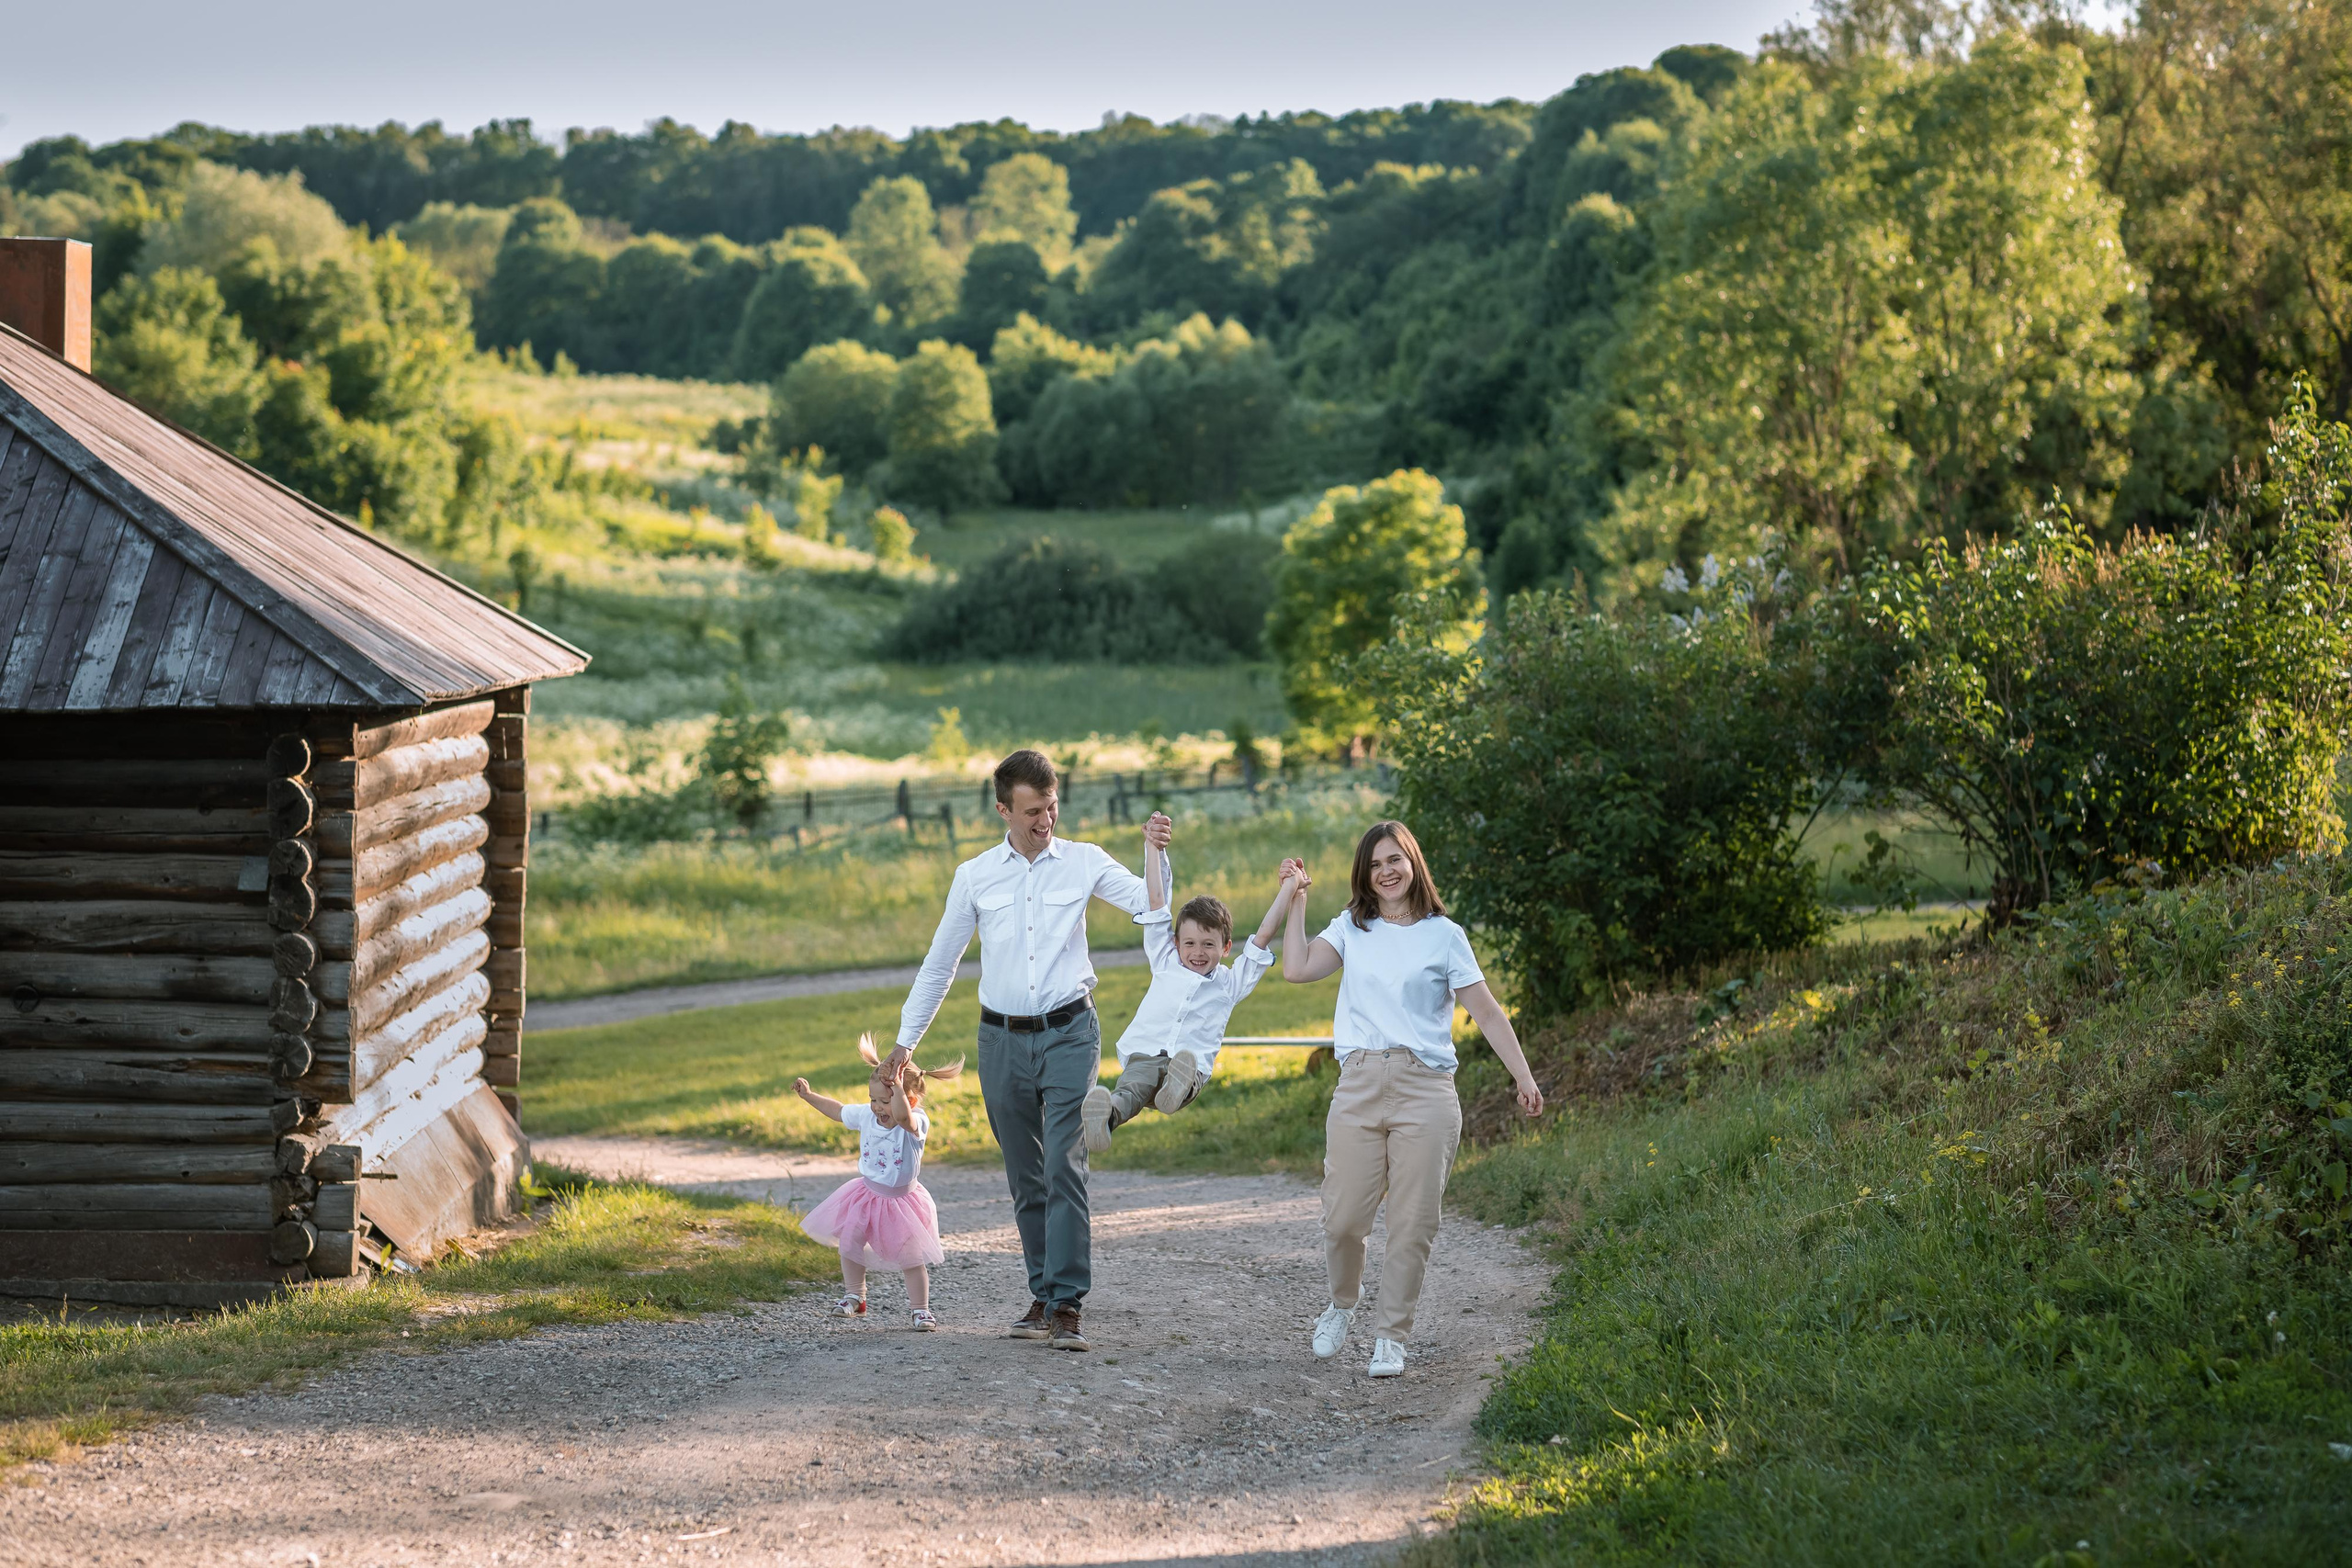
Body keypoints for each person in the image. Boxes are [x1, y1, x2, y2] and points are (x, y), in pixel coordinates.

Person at [885, 749, 1166, 1353]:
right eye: (1034, 810)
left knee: (1065, 1161)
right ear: (1003, 809)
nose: (1046, 820)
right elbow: (941, 962)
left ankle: (1066, 1304)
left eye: (1053, 806)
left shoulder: (1085, 861)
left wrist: (1156, 850)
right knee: (1024, 1171)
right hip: (1000, 1040)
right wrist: (905, 1043)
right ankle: (1042, 1291)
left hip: (1070, 1031)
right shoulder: (975, 875)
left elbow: (1152, 904)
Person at [1281, 821, 1544, 1379]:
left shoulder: (1444, 935)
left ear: (1413, 863)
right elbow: (1297, 968)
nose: (1387, 871)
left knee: (1412, 1221)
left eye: (1395, 859)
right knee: (1343, 1218)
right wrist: (1297, 901)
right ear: (1365, 875)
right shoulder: (1352, 928)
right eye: (1376, 864)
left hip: (1425, 1089)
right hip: (1357, 1084)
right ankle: (1342, 1304)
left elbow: (1488, 1013)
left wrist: (1522, 1076)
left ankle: (1391, 1337)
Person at [1082, 847, 1306, 1152]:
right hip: (1145, 1053)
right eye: (1189, 943)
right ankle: (1107, 1117)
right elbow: (1157, 903)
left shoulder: (1230, 983)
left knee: (1185, 1068)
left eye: (1208, 945)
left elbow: (1263, 935)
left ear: (1226, 947)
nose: (1198, 952)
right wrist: (1153, 848)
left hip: (1190, 1066)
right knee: (1131, 1088)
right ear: (1176, 943)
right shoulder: (1165, 960)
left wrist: (1289, 889)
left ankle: (1174, 1091)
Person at [794, 1035, 962, 1330]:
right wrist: (810, 1096)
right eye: (873, 1100)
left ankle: (920, 1309)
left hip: (903, 1203)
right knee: (850, 1243)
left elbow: (902, 1117)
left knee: (911, 1258)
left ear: (909, 1100)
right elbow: (838, 1110)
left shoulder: (917, 1121)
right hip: (865, 1194)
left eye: (884, 1101)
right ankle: (855, 1296)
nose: (877, 1108)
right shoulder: (868, 1116)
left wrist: (896, 1091)